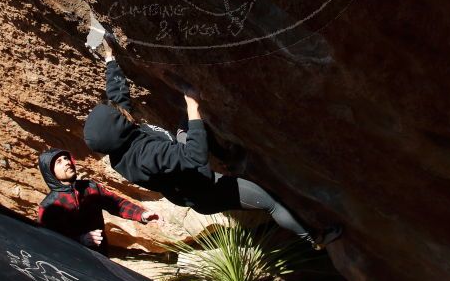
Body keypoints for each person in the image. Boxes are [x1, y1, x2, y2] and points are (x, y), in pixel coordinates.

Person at [82, 38, 342, 249]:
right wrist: (193, 106)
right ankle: (314, 238)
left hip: (183, 169)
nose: (119, 110)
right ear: (119, 130)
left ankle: (229, 157)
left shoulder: (121, 143)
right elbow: (195, 157)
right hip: (205, 189)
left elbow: (118, 97)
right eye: (116, 116)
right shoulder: (145, 157)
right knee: (269, 201)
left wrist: (110, 59)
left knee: (189, 125)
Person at [37, 148, 159, 254]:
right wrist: (80, 240)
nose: (67, 162)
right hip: (73, 262)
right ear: (50, 172)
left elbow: (116, 204)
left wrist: (142, 214)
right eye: (59, 162)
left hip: (101, 253)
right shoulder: (48, 206)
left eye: (66, 158)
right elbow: (49, 241)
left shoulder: (90, 187)